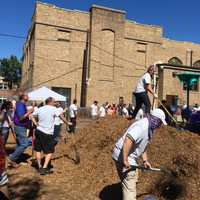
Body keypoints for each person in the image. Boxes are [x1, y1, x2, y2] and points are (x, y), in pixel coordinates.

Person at [112, 108, 167, 200]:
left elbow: (142, 145)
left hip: (122, 155)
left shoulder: (150, 127)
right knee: (130, 185)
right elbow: (128, 139)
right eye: (160, 122)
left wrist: (145, 160)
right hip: (124, 156)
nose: (160, 125)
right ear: (156, 120)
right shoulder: (143, 126)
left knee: (130, 180)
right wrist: (125, 160)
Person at [31, 97, 69, 175]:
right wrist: (68, 123)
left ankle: (39, 166)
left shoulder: (40, 108)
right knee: (50, 151)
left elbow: (31, 115)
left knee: (38, 150)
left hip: (38, 131)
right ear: (50, 102)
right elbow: (61, 116)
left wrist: (35, 123)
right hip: (47, 133)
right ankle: (44, 168)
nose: (55, 103)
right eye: (54, 101)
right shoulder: (54, 109)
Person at [8, 94, 33, 167]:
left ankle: (16, 159)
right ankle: (12, 158)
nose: (28, 96)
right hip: (20, 127)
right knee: (24, 144)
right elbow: (21, 118)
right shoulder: (20, 105)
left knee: (19, 144)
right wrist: (29, 112)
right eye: (26, 96)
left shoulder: (22, 105)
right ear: (23, 97)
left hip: (21, 127)